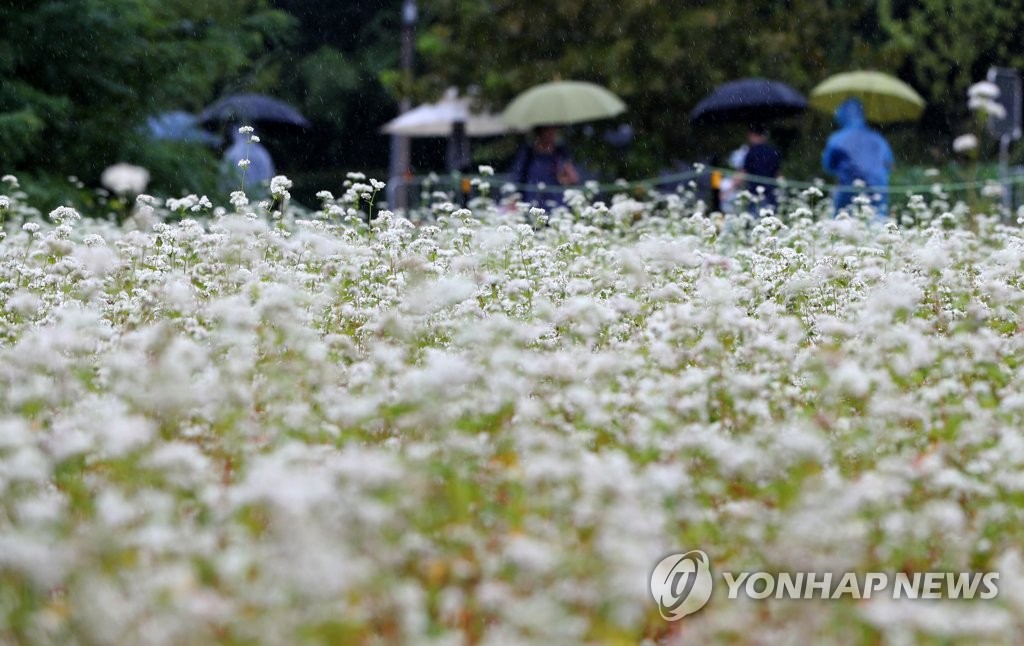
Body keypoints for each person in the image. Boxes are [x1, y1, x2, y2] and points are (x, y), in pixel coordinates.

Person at [822, 98, 894, 215]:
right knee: (877, 225)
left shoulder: (837, 138)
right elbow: (889, 164)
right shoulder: (878, 138)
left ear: (842, 115)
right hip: (878, 188)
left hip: (848, 189)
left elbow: (828, 166)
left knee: (843, 224)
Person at [509, 125, 579, 204]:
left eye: (553, 131)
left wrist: (563, 177)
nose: (551, 135)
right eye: (548, 132)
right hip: (532, 200)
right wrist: (513, 199)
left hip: (556, 201)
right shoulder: (528, 153)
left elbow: (573, 178)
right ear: (540, 133)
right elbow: (517, 177)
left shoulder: (560, 153)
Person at [738, 124, 782, 209]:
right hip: (771, 195)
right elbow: (778, 174)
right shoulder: (773, 151)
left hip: (754, 195)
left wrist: (727, 190)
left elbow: (743, 173)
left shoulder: (751, 152)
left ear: (752, 135)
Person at [223, 124, 275, 190]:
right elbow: (268, 175)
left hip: (241, 192)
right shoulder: (262, 152)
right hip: (258, 194)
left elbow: (224, 176)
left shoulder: (232, 152)